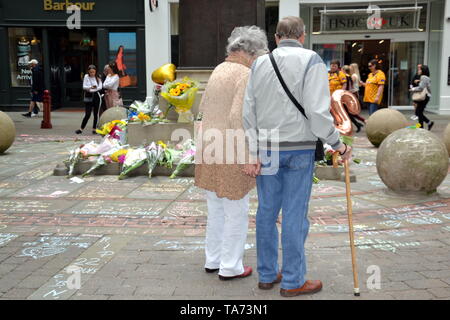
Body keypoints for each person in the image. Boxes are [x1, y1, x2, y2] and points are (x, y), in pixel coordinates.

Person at [242, 16, 352, 297]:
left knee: (266, 211)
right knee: (294, 215)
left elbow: (249, 112)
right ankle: (292, 281)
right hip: (300, 148)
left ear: (276, 37)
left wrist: (253, 150)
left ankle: (267, 274)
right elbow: (317, 112)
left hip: (267, 149)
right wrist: (337, 144)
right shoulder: (312, 59)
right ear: (302, 36)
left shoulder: (260, 63)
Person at [194, 26, 269, 281]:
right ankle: (230, 266)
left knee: (215, 209)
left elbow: (202, 111)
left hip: (210, 148)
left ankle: (213, 259)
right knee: (236, 211)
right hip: (231, 151)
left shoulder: (218, 69)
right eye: (258, 54)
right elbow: (238, 116)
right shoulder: (245, 74)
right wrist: (249, 155)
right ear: (250, 52)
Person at [75, 65, 103, 135]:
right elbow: (84, 87)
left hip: (97, 96)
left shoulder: (98, 77)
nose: (92, 73)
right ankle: (81, 129)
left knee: (96, 114)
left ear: (95, 71)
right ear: (88, 71)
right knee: (87, 114)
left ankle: (94, 129)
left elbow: (100, 87)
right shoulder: (86, 76)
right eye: (90, 72)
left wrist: (91, 89)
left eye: (93, 72)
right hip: (88, 96)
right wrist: (91, 87)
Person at [410, 64, 434, 130]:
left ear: (423, 70)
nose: (419, 70)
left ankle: (421, 126)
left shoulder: (423, 77)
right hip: (426, 96)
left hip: (424, 96)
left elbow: (421, 88)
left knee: (418, 112)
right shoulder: (425, 77)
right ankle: (428, 123)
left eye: (420, 69)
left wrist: (413, 89)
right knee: (419, 112)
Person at [342, 65, 364, 132]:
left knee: (348, 112)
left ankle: (361, 121)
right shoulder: (350, 76)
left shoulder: (350, 76)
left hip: (348, 95)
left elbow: (349, 87)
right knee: (348, 112)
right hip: (349, 95)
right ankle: (358, 123)